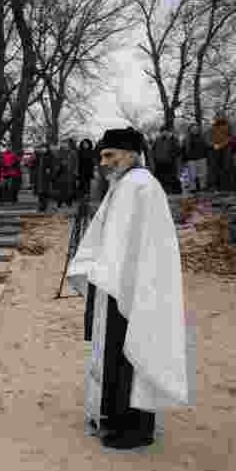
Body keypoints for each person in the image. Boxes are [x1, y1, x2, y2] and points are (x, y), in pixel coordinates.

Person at [67, 127, 192, 450]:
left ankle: (133, 427)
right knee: (111, 356)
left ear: (132, 154)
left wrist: (117, 277)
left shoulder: (142, 187)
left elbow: (146, 246)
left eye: (111, 155)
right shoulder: (122, 186)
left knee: (128, 354)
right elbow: (106, 237)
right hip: (113, 284)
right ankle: (111, 417)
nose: (104, 162)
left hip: (133, 287)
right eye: (102, 156)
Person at [152, 128, 181, 195]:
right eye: (163, 132)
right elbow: (153, 150)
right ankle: (162, 190)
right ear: (160, 132)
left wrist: (173, 156)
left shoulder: (173, 140)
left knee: (171, 177)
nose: (164, 133)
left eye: (166, 131)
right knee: (161, 178)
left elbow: (177, 150)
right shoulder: (157, 140)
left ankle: (172, 190)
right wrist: (155, 159)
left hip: (170, 162)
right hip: (159, 162)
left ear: (168, 132)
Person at [182, 124, 208, 193]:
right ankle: (193, 188)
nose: (195, 130)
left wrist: (205, 156)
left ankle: (203, 187)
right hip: (191, 159)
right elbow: (183, 149)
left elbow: (206, 146)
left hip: (201, 157)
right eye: (193, 128)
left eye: (196, 128)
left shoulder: (202, 137)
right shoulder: (186, 138)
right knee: (192, 175)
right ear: (190, 130)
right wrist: (185, 159)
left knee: (202, 174)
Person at [53, 139, 78, 208]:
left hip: (70, 173)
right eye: (63, 143)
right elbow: (55, 162)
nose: (65, 145)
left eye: (66, 144)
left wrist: (75, 172)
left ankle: (68, 203)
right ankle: (59, 203)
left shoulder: (73, 152)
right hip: (61, 173)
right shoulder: (59, 152)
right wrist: (60, 164)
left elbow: (76, 163)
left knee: (69, 189)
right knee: (60, 189)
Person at [32, 142, 56, 212]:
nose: (43, 149)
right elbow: (34, 165)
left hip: (46, 177)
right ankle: (41, 207)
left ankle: (45, 206)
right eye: (42, 148)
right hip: (39, 177)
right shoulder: (38, 155)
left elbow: (53, 166)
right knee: (40, 193)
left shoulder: (50, 156)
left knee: (46, 192)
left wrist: (50, 172)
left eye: (44, 148)